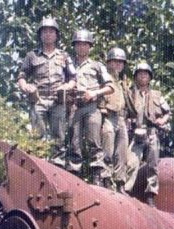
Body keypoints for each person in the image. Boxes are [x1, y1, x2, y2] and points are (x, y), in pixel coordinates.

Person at [17, 17, 75, 163]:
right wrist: (25, 86)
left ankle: (58, 168)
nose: (48, 34)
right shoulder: (32, 56)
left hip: (58, 100)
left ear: (56, 35)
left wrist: (66, 87)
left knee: (59, 139)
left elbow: (74, 79)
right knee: (37, 137)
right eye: (45, 32)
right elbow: (21, 76)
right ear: (40, 35)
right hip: (38, 100)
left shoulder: (64, 56)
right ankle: (39, 166)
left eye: (51, 31)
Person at [67, 29, 113, 183]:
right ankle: (74, 176)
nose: (81, 47)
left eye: (84, 44)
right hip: (74, 106)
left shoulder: (97, 65)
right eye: (78, 44)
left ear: (90, 47)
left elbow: (110, 87)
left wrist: (94, 93)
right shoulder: (68, 65)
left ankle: (97, 176)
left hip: (91, 106)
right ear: (74, 46)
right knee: (75, 143)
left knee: (94, 142)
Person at [127, 62, 171, 206]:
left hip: (152, 132)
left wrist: (162, 121)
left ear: (150, 77)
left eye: (146, 74)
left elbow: (168, 112)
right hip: (136, 132)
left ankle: (151, 194)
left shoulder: (157, 95)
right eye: (140, 74)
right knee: (132, 162)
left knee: (153, 165)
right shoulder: (130, 93)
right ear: (135, 77)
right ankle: (126, 190)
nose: (143, 76)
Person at [100, 47, 134, 190]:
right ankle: (106, 179)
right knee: (107, 150)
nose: (118, 65)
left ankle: (120, 182)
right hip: (108, 115)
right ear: (108, 63)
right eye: (115, 61)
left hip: (121, 118)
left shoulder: (123, 82)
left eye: (121, 62)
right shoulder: (104, 78)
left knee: (122, 153)